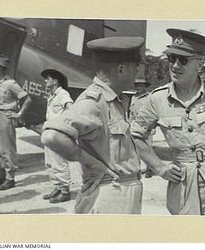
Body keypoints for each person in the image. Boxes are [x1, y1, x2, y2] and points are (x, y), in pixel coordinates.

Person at [131, 29, 205, 216]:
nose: (175, 65)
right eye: (172, 58)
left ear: (200, 64)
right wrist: (159, 167)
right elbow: (136, 135)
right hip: (183, 188)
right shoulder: (158, 99)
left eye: (183, 60)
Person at [41, 36, 144, 214]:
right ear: (121, 69)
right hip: (109, 193)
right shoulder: (94, 102)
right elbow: (51, 135)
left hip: (121, 191)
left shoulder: (113, 99)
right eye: (136, 67)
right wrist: (93, 164)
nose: (137, 72)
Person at [0, 54, 32, 190]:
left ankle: (10, 178)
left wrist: (18, 115)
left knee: (6, 148)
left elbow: (27, 99)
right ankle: (0, 174)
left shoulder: (10, 84)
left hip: (4, 116)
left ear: (1, 68)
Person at [41, 69, 73, 203]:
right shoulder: (52, 95)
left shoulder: (63, 94)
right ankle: (58, 187)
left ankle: (65, 191)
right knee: (50, 163)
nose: (45, 81)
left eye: (47, 79)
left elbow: (70, 109)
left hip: (57, 133)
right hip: (49, 132)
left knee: (59, 162)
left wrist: (63, 126)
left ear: (55, 81)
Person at [129, 78, 155, 177]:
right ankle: (137, 169)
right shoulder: (134, 97)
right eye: (137, 86)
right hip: (134, 126)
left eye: (140, 86)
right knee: (135, 148)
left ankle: (150, 169)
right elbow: (131, 112)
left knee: (148, 149)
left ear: (145, 87)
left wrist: (153, 127)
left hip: (146, 126)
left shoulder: (150, 97)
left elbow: (153, 113)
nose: (138, 88)